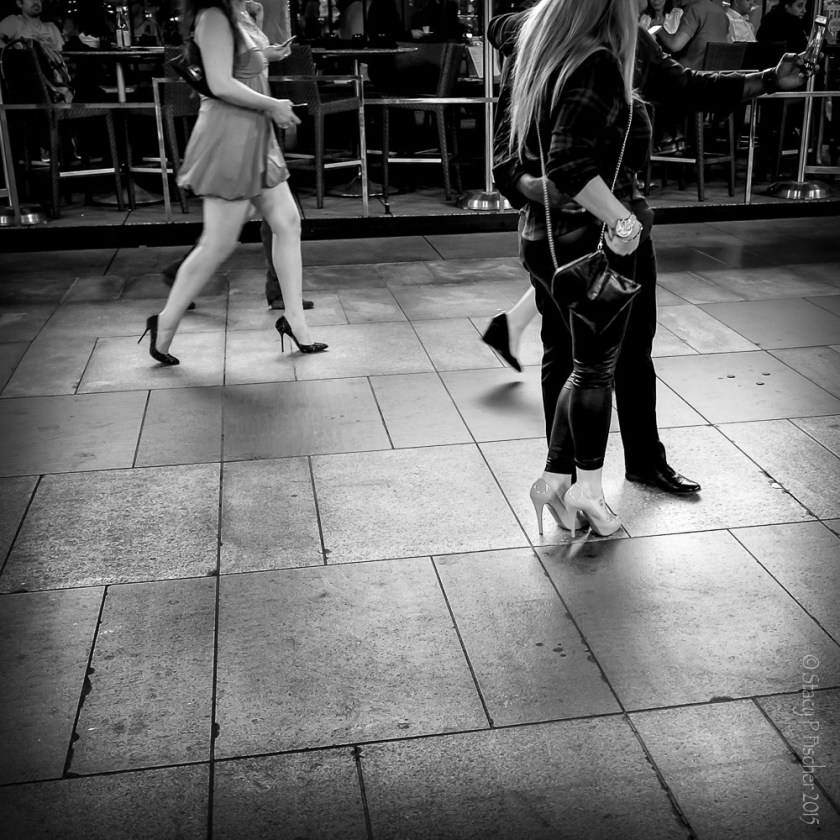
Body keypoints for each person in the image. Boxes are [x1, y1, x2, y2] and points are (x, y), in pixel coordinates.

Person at [487, 7, 808, 527]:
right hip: (591, 230)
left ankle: (625, 465)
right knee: (572, 357)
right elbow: (515, 151)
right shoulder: (554, 43)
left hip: (577, 229)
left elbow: (683, 85)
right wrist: (540, 189)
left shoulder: (612, 39)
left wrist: (767, 79)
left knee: (623, 351)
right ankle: (570, 480)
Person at [141, 0, 326, 365]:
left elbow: (240, 65)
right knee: (217, 244)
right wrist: (272, 104)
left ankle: (296, 322)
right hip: (230, 135)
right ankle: (163, 325)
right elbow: (221, 83)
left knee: (288, 224)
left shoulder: (240, 12)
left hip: (254, 134)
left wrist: (267, 55)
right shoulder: (213, 15)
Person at [654, 0, 730, 70]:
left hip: (690, 75)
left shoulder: (694, 9)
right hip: (713, 76)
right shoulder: (722, 14)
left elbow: (675, 45)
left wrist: (658, 27)